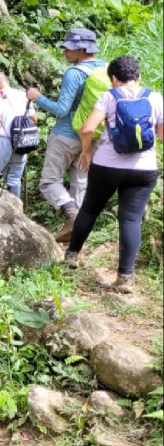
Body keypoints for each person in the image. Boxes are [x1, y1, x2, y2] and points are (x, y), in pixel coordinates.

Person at [64, 56, 163, 293]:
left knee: (89, 209)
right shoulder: (155, 97)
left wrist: (87, 151)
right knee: (130, 219)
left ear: (114, 79)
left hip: (107, 166)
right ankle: (125, 278)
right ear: (138, 77)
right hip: (143, 169)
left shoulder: (109, 96)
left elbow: (87, 128)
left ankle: (72, 256)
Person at [27, 27, 106, 241]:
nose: (64, 53)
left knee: (49, 181)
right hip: (91, 137)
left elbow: (62, 110)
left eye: (68, 49)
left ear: (81, 49)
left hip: (66, 136)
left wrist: (38, 97)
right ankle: (79, 231)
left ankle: (71, 213)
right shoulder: (106, 69)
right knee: (80, 182)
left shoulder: (75, 73)